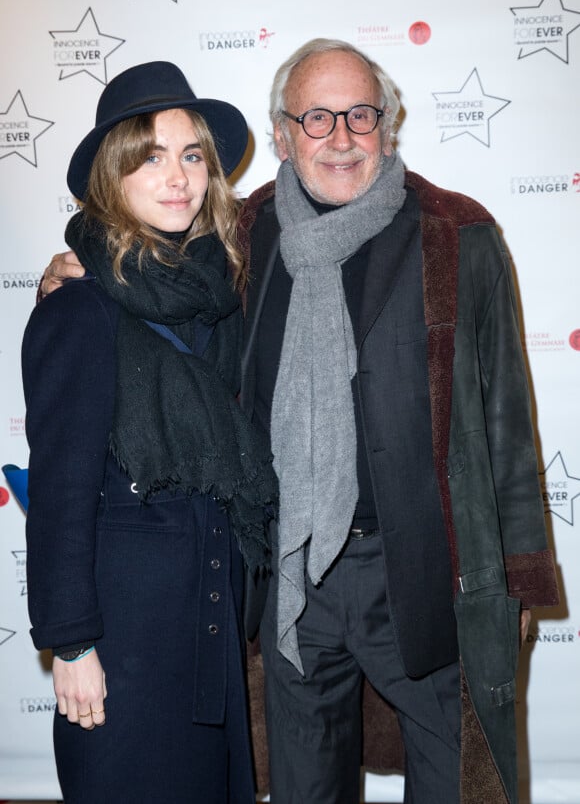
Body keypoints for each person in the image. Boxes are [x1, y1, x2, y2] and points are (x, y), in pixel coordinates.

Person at [42, 40, 560, 804]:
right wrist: (72, 266)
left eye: (360, 115)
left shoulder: (458, 234)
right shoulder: (244, 239)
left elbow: (507, 421)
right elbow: (151, 283)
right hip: (289, 581)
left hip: (423, 572)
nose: (341, 136)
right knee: (303, 785)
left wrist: (516, 580)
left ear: (388, 125)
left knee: (458, 779)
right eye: (317, 118)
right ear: (282, 135)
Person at [23, 60, 277, 804]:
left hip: (208, 627)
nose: (178, 177)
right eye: (151, 158)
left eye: (191, 155)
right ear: (113, 177)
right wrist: (71, 643)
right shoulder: (79, 307)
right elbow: (62, 489)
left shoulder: (217, 299)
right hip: (123, 637)